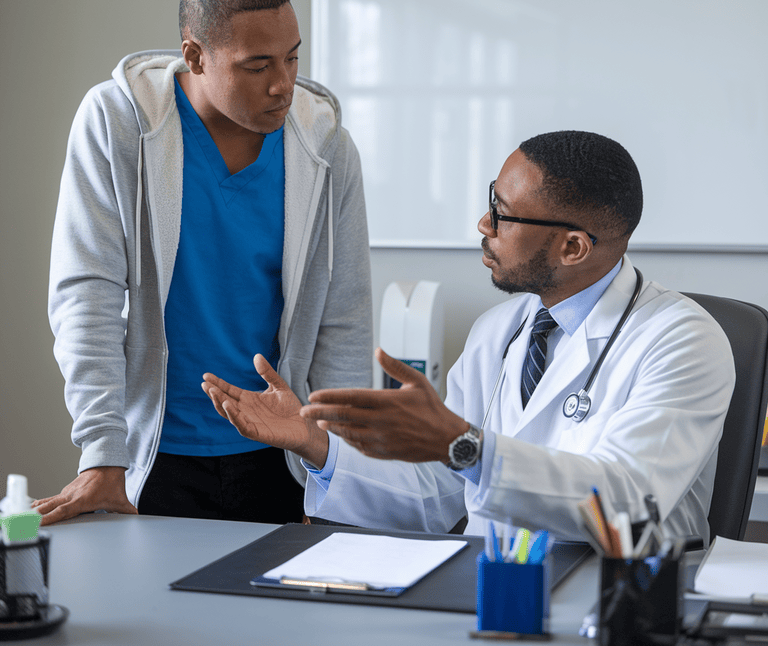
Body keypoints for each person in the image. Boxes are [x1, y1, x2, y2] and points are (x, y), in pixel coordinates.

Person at [202, 130, 735, 543]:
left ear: (573, 248)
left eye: (503, 215)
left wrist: (468, 448)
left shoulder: (684, 342)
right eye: (490, 200)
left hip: (619, 601)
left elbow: (623, 506)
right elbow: (438, 494)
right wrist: (314, 443)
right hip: (493, 592)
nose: (483, 223)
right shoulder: (499, 332)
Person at [35, 0, 372, 526]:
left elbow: (344, 318)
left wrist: (335, 466)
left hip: (281, 458)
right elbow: (85, 294)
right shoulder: (118, 123)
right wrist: (102, 451)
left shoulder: (329, 150)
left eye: (292, 57)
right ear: (194, 56)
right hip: (150, 456)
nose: (283, 83)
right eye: (257, 66)